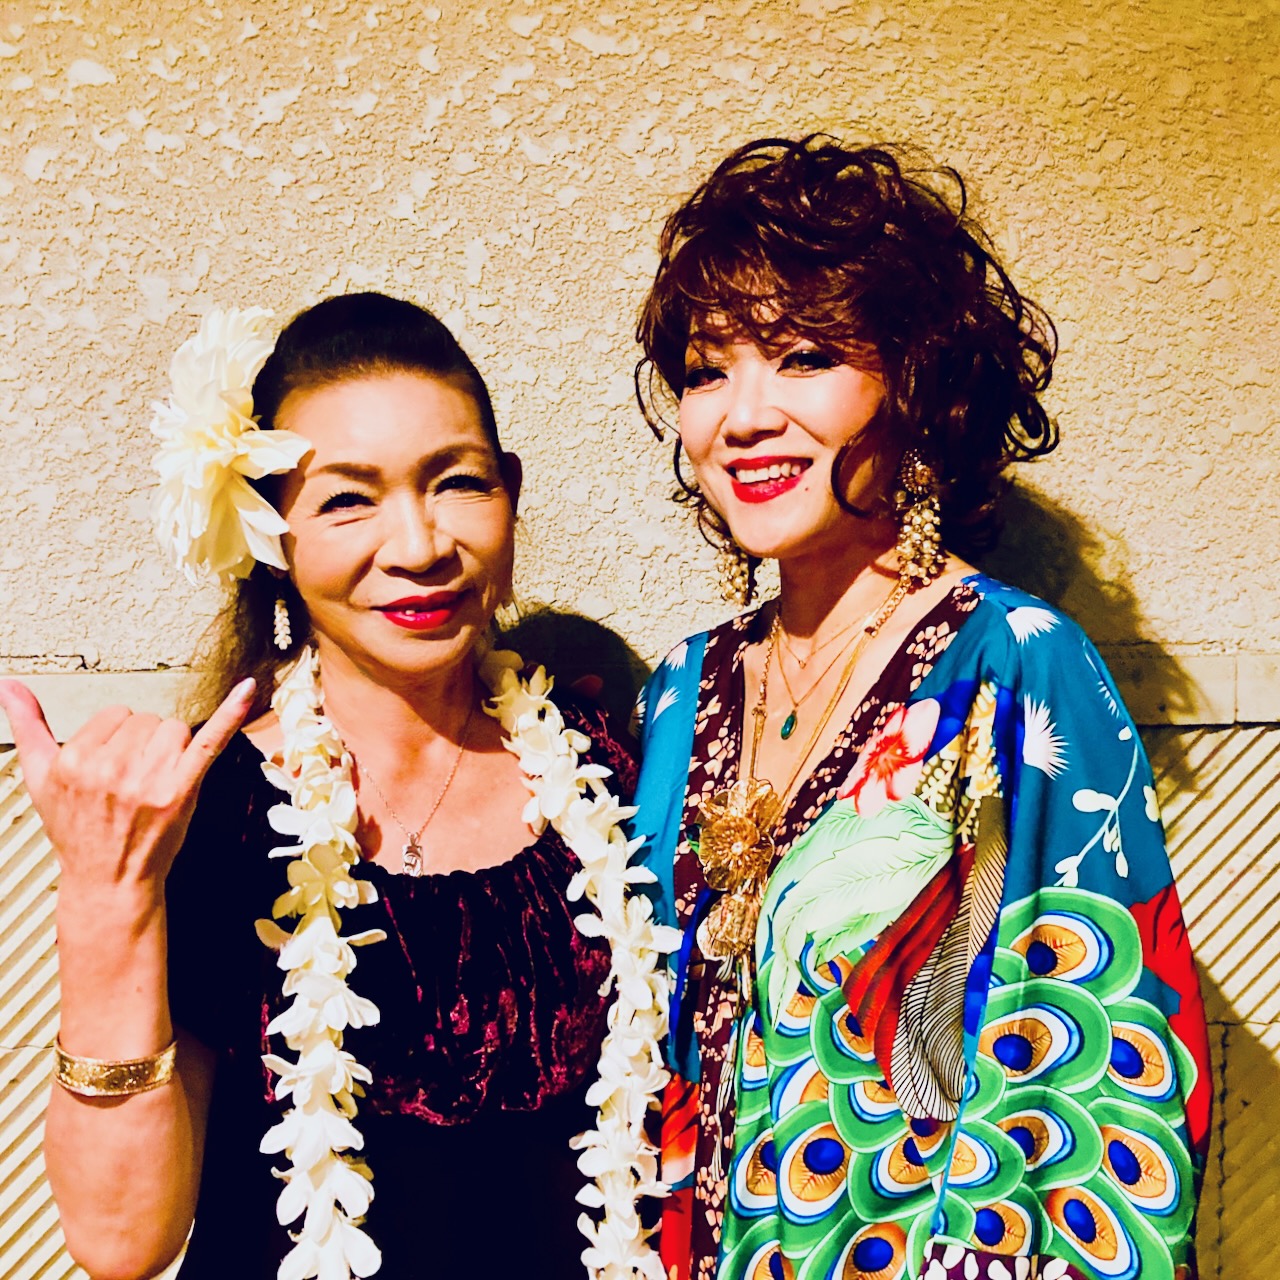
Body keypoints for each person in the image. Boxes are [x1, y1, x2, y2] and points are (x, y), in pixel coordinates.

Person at [628, 137, 1211, 1280]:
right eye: (705, 370)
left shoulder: (1013, 668)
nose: (741, 415)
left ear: (916, 384)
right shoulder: (678, 688)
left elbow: (1079, 1093)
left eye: (802, 357)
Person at [0, 293, 671, 1280]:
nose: (418, 545)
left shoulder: (605, 771)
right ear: (271, 533)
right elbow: (119, 1239)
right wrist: (106, 891)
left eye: (457, 482)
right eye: (348, 499)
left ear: (511, 492)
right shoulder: (207, 808)